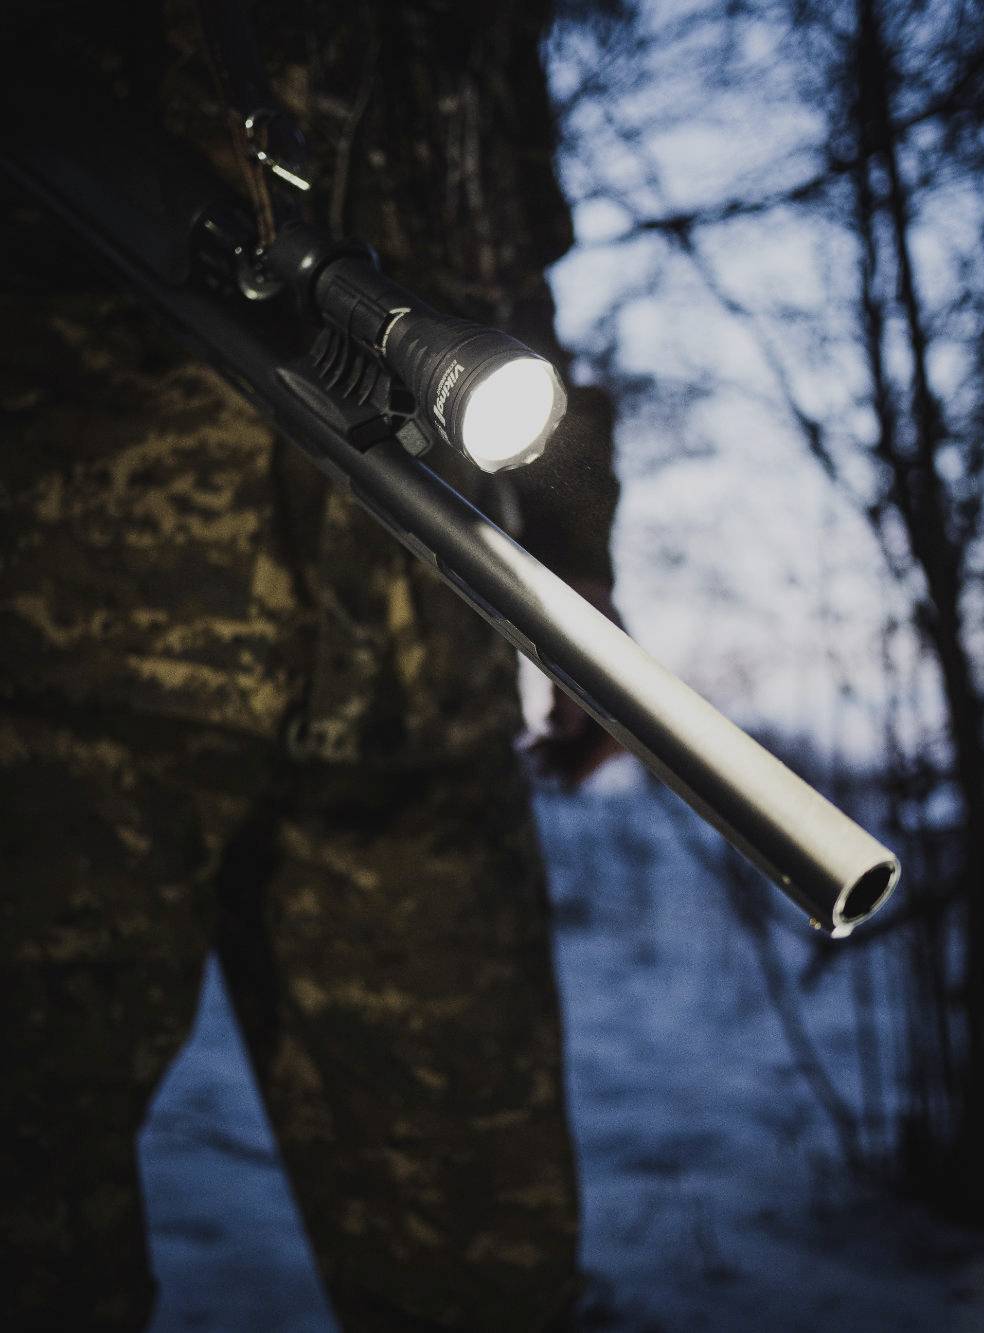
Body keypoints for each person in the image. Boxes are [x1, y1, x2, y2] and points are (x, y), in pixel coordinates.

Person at [0, 2, 619, 1328]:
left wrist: (585, 580)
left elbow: (518, 290)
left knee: (488, 1259)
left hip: (416, 682)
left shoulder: (474, 31)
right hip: (66, 666)